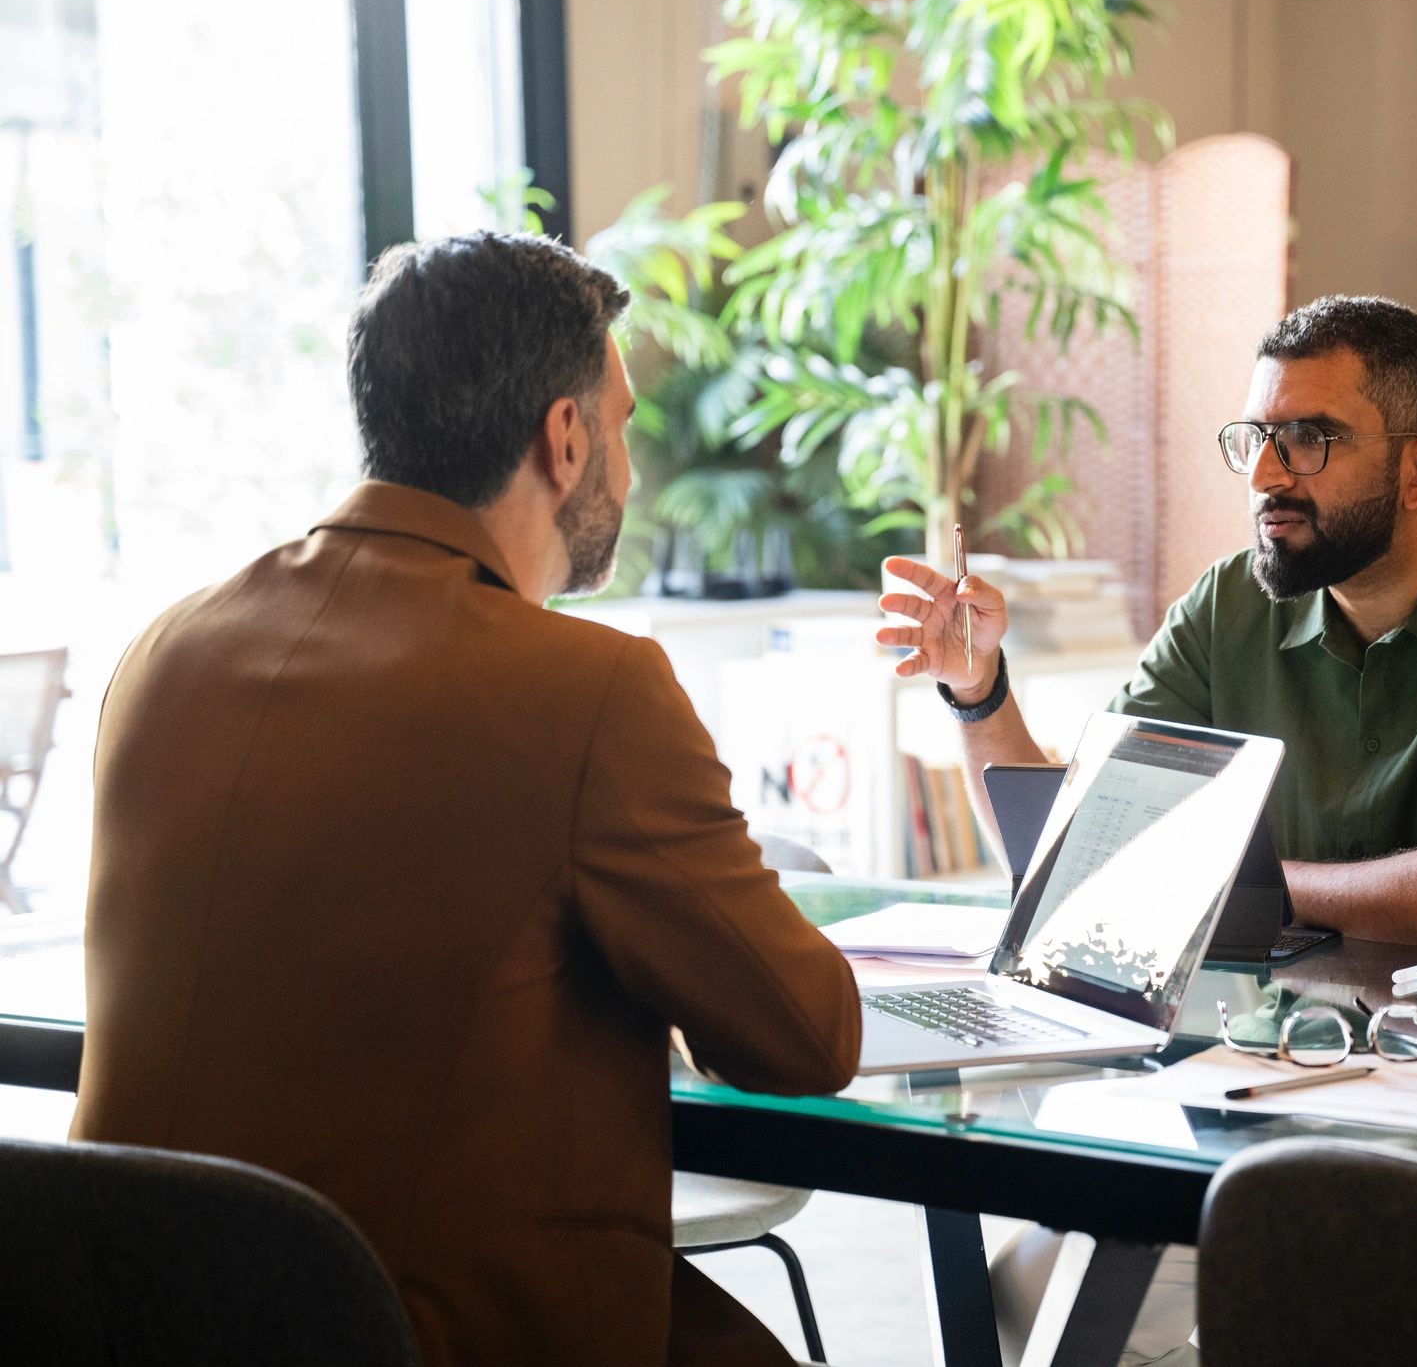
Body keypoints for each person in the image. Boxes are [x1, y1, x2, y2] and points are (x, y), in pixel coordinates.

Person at [72, 231, 859, 1367]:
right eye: (624, 424)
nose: (629, 469)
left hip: (127, 1323)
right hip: (420, 1330)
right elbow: (808, 1032)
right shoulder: (590, 695)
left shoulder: (160, 654)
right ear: (566, 436)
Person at [881, 293, 1417, 954]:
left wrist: (1226, 887)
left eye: (1307, 440)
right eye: (1256, 438)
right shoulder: (1230, 602)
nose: (1264, 475)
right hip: (1311, 1049)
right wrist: (977, 690)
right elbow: (1071, 857)